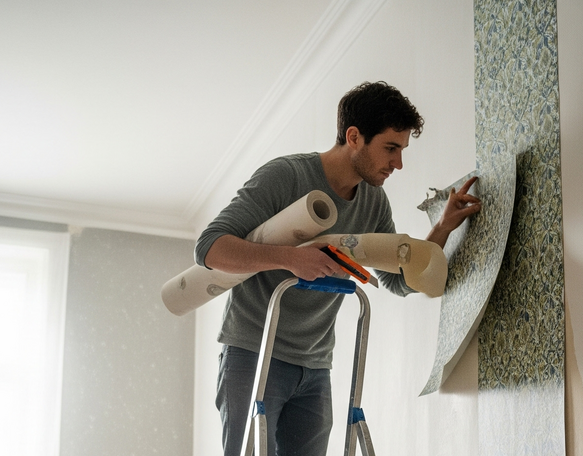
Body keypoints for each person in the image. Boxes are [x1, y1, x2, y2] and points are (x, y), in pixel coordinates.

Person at [195, 81, 480, 455]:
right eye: (390, 148)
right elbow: (209, 247)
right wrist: (290, 258)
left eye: (401, 150)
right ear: (354, 136)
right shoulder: (286, 176)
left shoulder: (374, 203)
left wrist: (442, 229)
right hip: (254, 352)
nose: (398, 163)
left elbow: (396, 281)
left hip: (314, 365)